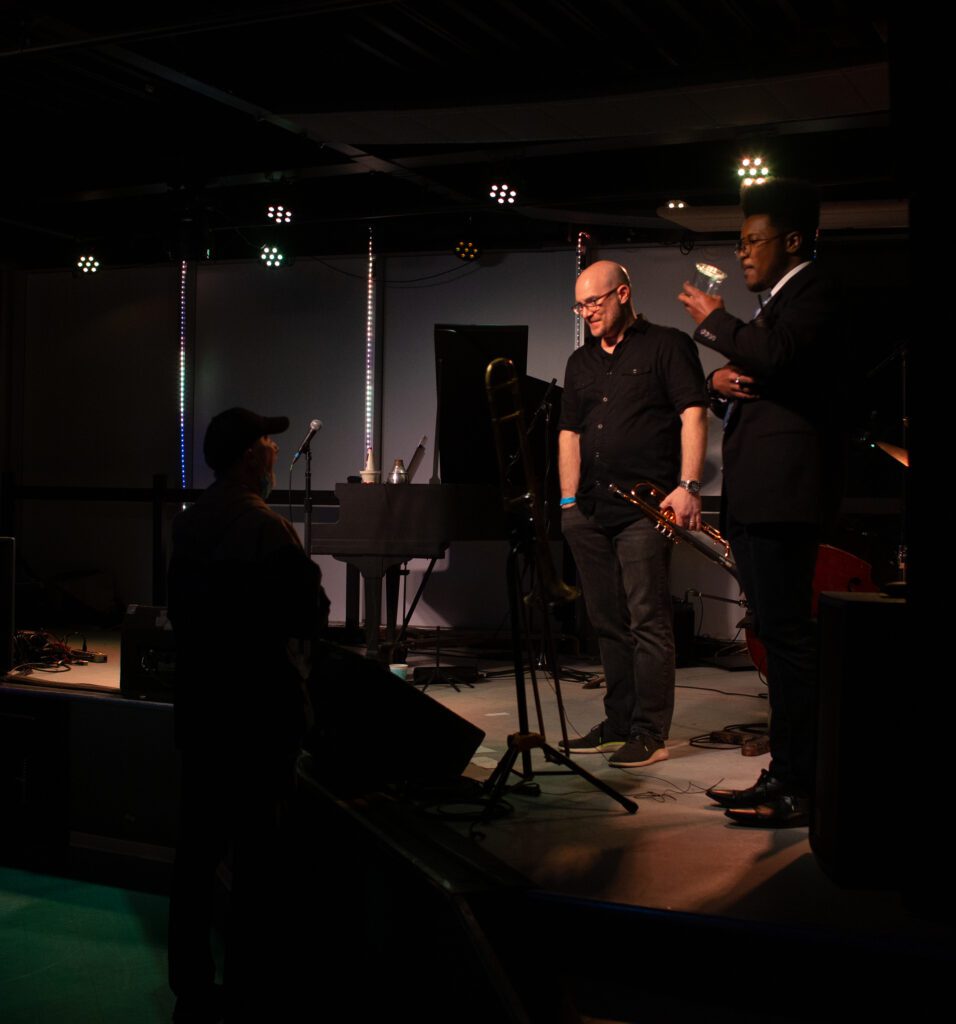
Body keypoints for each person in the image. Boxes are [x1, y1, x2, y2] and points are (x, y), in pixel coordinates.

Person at [678, 179, 844, 827]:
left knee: (788, 641)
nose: (744, 252)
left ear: (794, 241)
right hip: (758, 497)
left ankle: (800, 782)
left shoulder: (816, 291)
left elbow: (776, 355)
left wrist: (715, 323)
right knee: (775, 637)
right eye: (741, 241)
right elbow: (761, 371)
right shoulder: (777, 303)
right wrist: (717, 382)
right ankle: (784, 773)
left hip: (786, 497)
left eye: (754, 240)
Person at [166, 407, 328, 1021]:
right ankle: (248, 994)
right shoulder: (266, 530)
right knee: (258, 866)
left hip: (203, 712)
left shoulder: (190, 525)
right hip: (259, 717)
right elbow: (307, 613)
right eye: (265, 441)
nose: (274, 451)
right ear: (245, 458)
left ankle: (191, 989)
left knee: (197, 855)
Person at [559, 260, 708, 768]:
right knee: (606, 621)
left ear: (622, 293)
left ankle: (650, 732)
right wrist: (565, 501)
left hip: (644, 507)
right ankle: (618, 723)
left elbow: (693, 412)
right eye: (580, 305)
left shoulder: (666, 345)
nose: (587, 313)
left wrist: (689, 485)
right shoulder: (580, 362)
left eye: (595, 302)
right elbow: (569, 433)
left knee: (648, 620)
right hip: (588, 510)